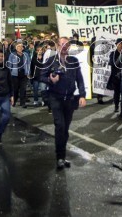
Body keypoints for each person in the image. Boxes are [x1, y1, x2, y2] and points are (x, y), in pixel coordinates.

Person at [41, 37, 86, 169]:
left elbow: (80, 79)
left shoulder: (73, 60)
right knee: (59, 126)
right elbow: (41, 76)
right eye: (62, 44)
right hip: (56, 98)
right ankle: (59, 157)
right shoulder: (51, 61)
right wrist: (50, 79)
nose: (64, 47)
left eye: (66, 45)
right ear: (57, 46)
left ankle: (63, 156)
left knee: (65, 130)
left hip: (70, 99)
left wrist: (82, 95)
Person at [8, 42, 31, 108]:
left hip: (24, 74)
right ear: (16, 48)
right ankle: (14, 102)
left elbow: (28, 64)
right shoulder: (12, 55)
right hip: (15, 74)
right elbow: (10, 65)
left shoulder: (26, 54)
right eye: (18, 46)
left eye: (21, 46)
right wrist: (9, 73)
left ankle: (22, 103)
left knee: (23, 89)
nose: (20, 48)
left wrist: (28, 73)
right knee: (15, 89)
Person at [106, 38, 122, 112]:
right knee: (117, 92)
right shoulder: (113, 53)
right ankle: (116, 105)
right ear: (116, 45)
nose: (121, 45)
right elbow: (111, 63)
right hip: (116, 76)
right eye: (119, 44)